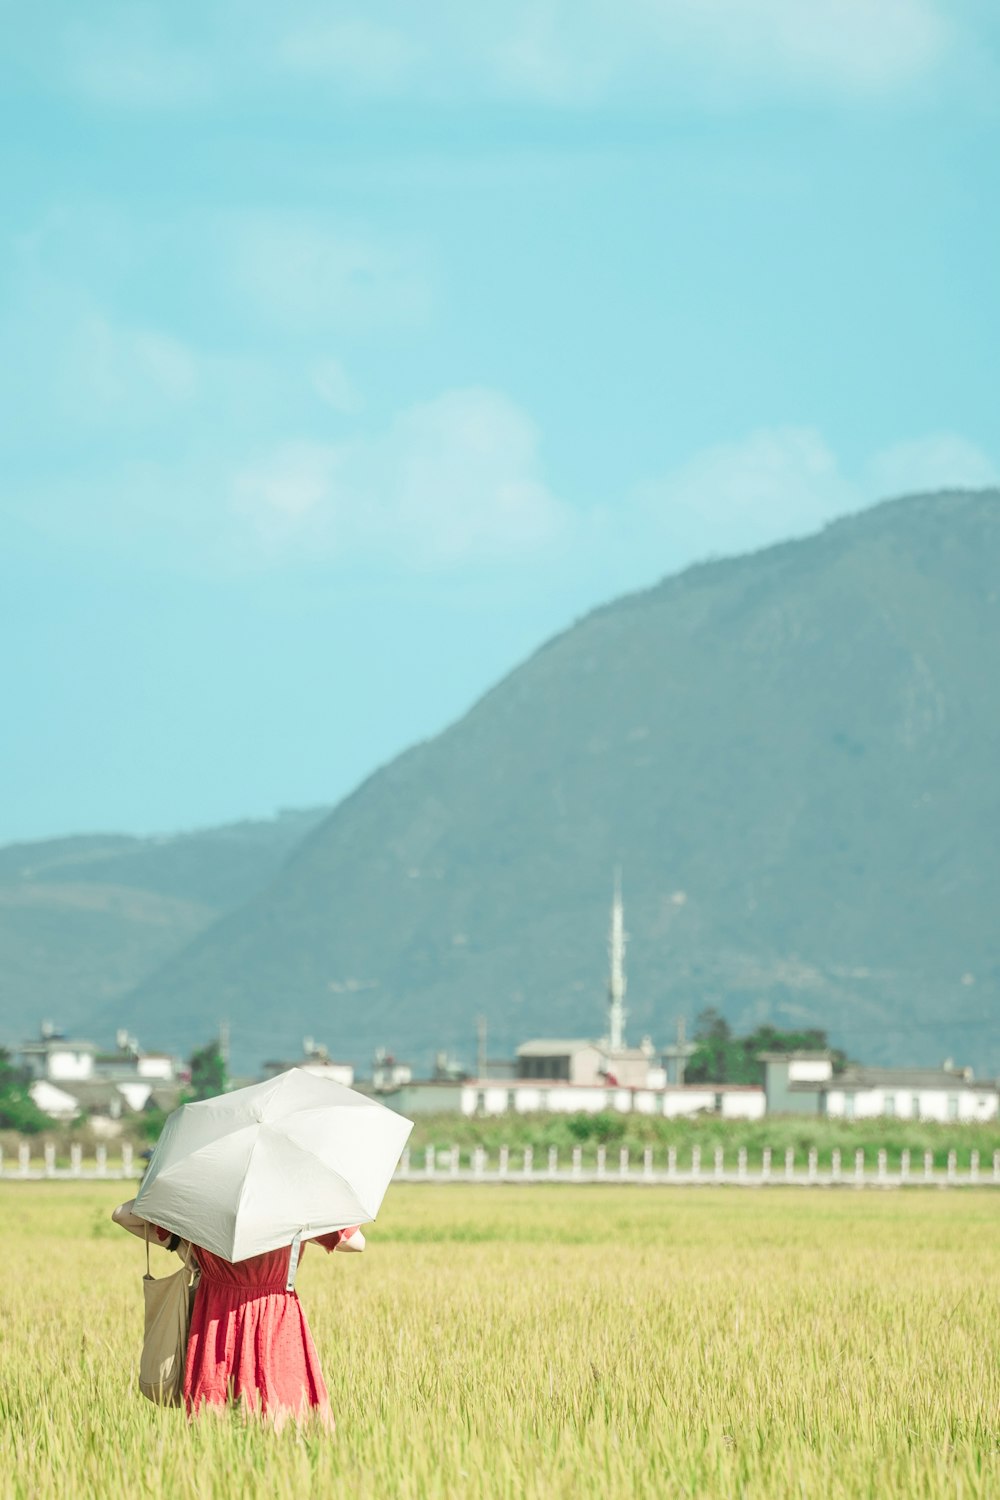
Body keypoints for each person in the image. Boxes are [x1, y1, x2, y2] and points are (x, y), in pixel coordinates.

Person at [113, 1198, 364, 1425]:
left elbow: (122, 1214)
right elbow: (356, 1243)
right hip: (277, 1316)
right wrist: (310, 1223)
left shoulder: (204, 1198)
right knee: (287, 1417)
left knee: (215, 1420)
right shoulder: (294, 1200)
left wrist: (181, 1235)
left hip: (217, 1320)